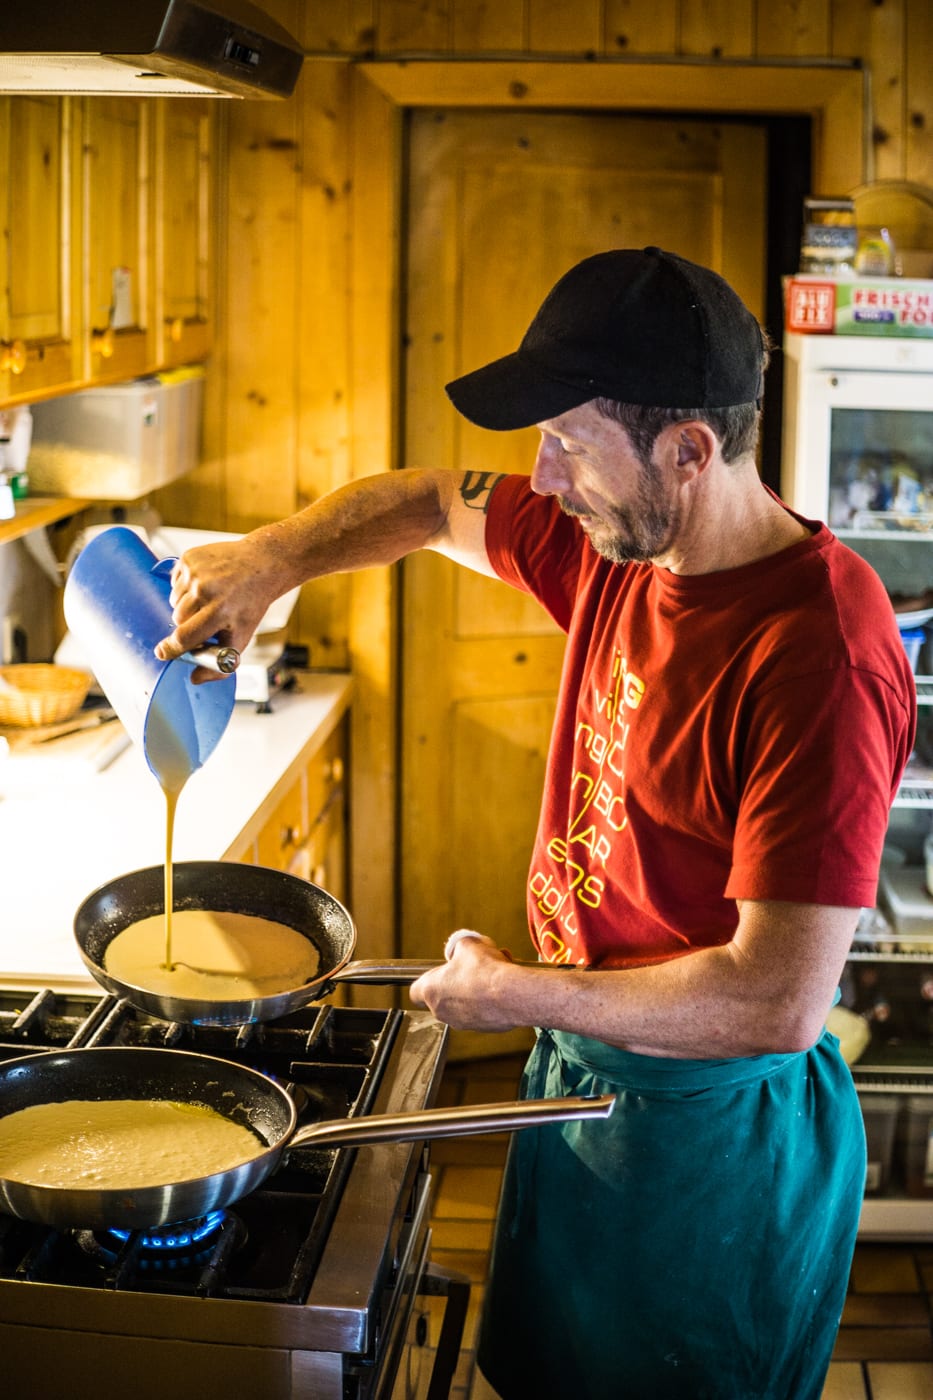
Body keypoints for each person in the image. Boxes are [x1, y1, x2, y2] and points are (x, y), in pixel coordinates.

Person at [155, 247, 916, 1399]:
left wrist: (515, 996)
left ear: (689, 451)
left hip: (710, 1136)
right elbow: (424, 501)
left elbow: (774, 999)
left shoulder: (819, 652)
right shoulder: (628, 544)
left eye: (567, 441)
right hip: (592, 1074)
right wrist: (274, 559)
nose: (542, 477)